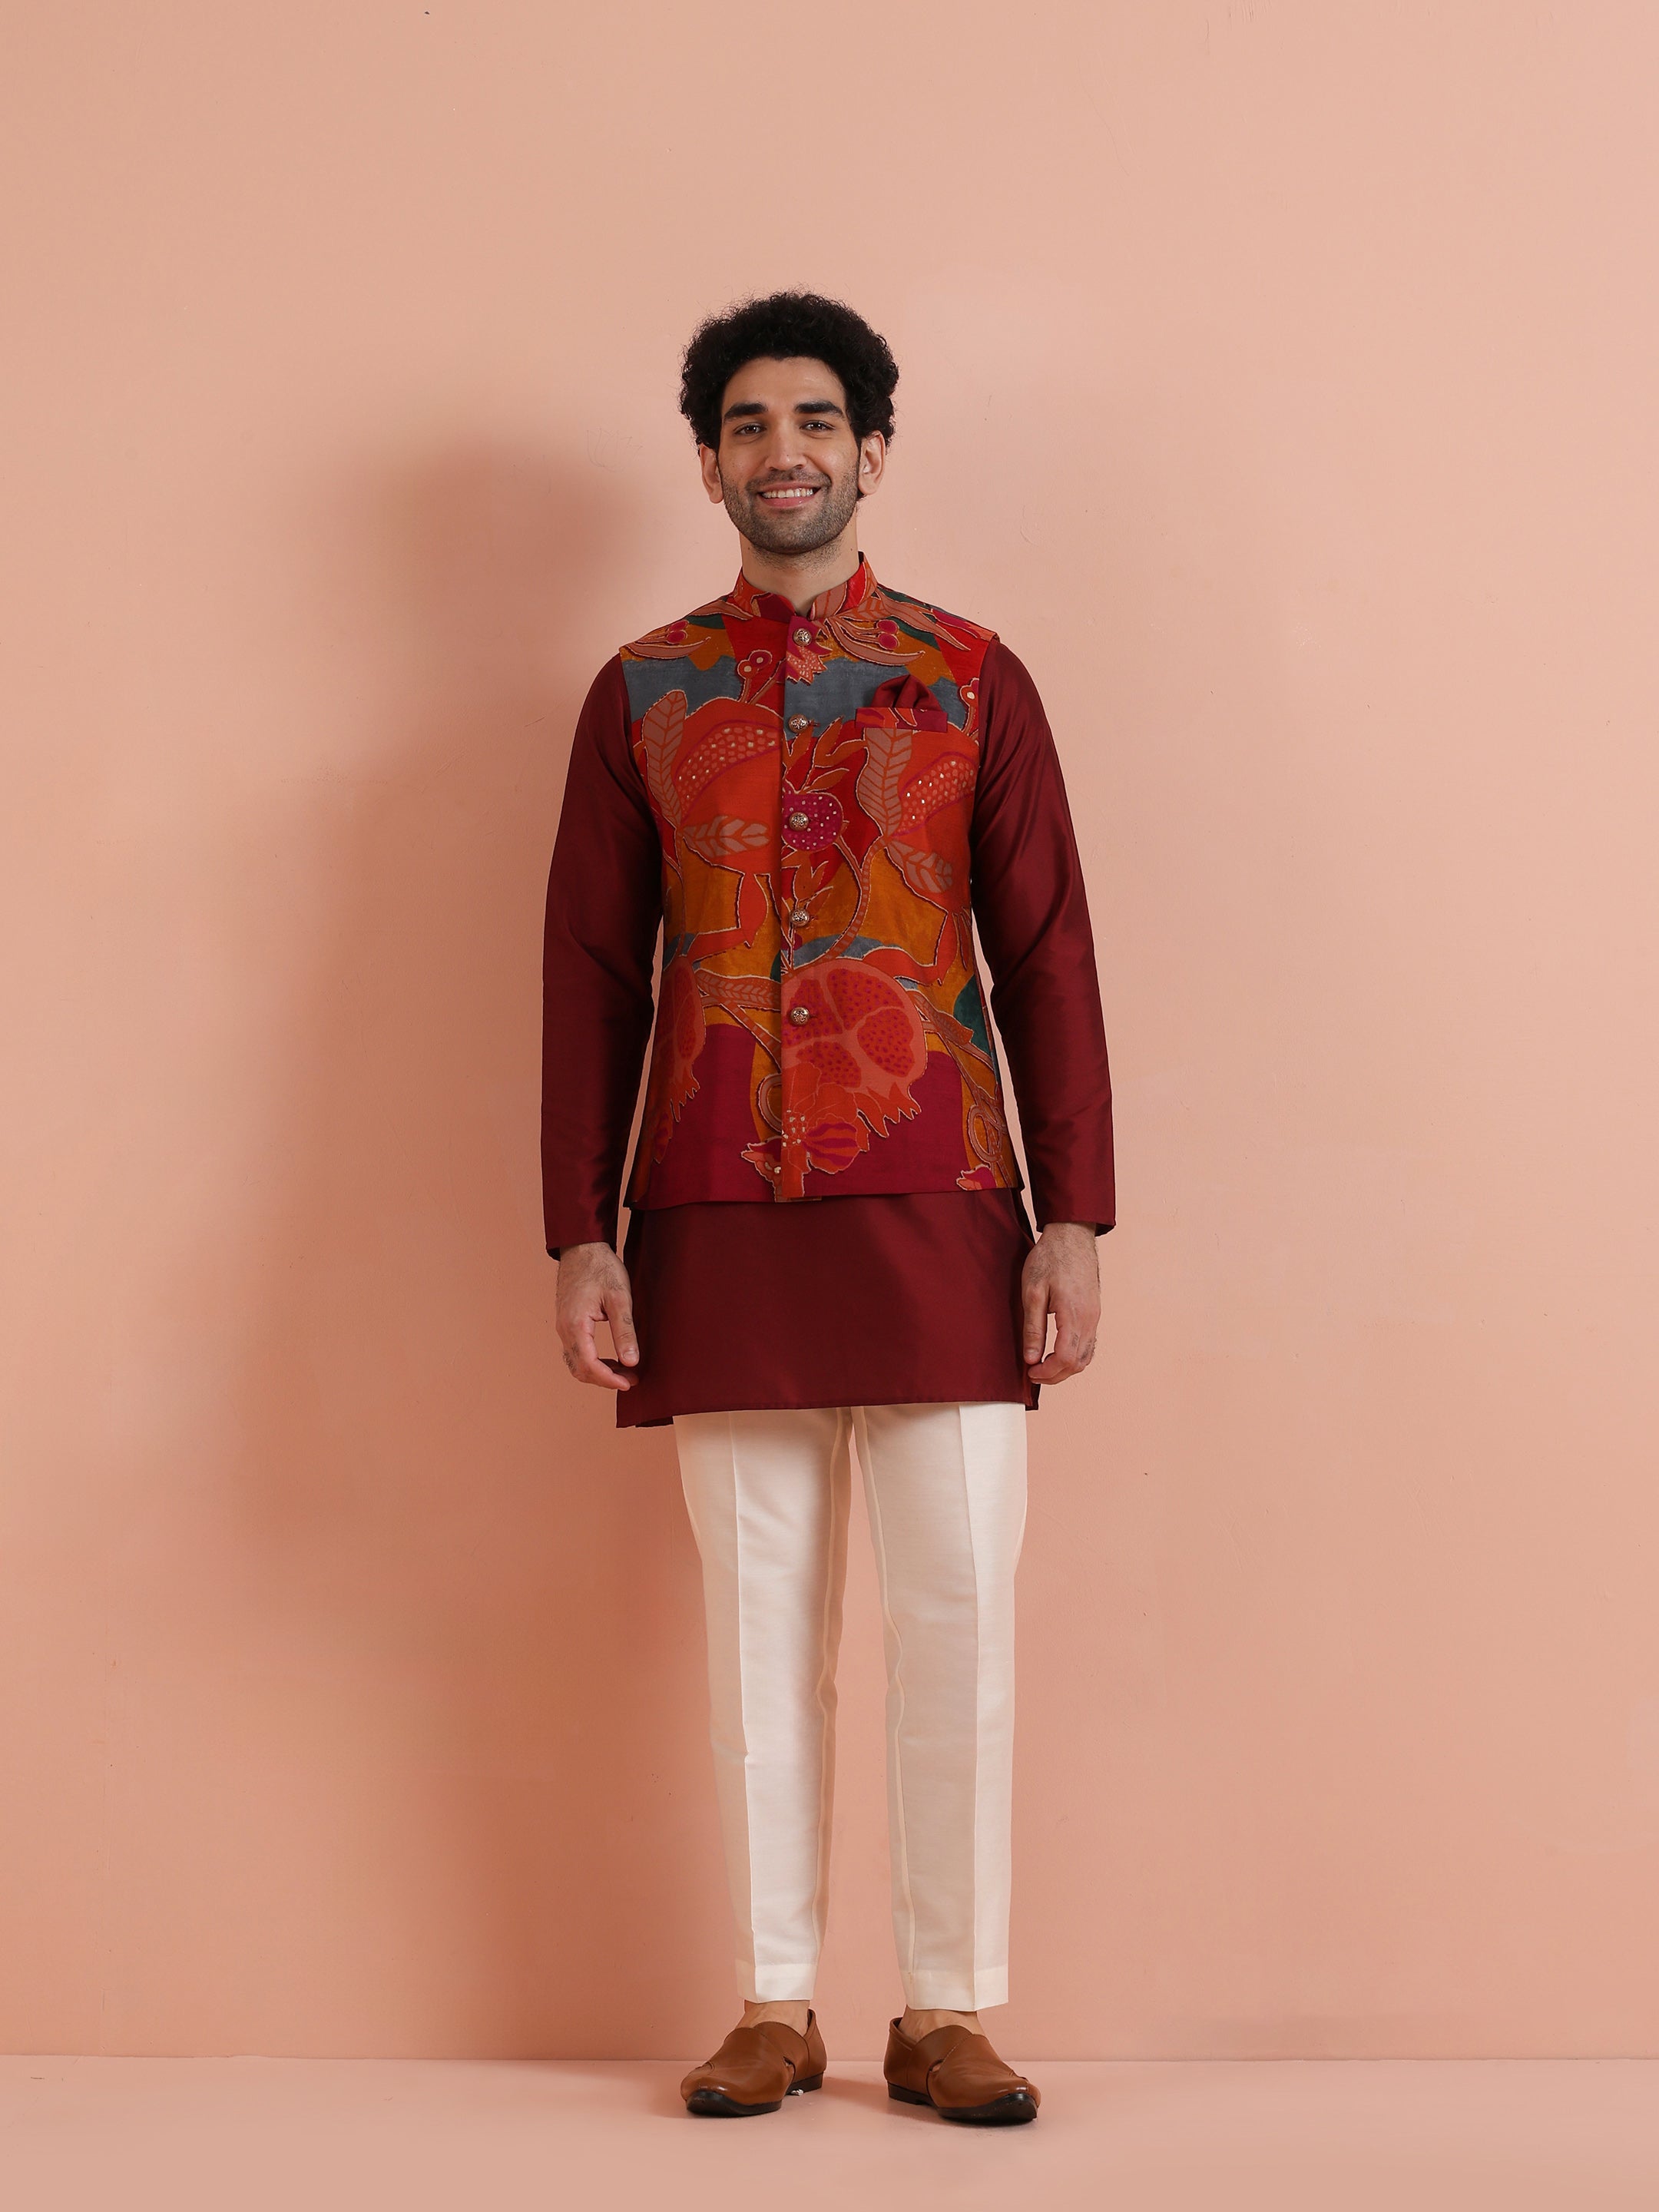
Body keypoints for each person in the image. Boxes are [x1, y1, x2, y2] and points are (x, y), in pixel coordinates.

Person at [541, 290, 1114, 2125]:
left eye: (812, 421)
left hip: (948, 1202)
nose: (779, 452)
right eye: (745, 424)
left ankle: (945, 2008)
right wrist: (581, 1231)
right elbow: (592, 977)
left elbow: (1046, 953)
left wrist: (1076, 1216)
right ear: (707, 464)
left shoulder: (973, 679)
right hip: (716, 1205)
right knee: (755, 1637)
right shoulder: (642, 695)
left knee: (959, 1626)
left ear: (872, 449)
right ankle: (773, 1999)